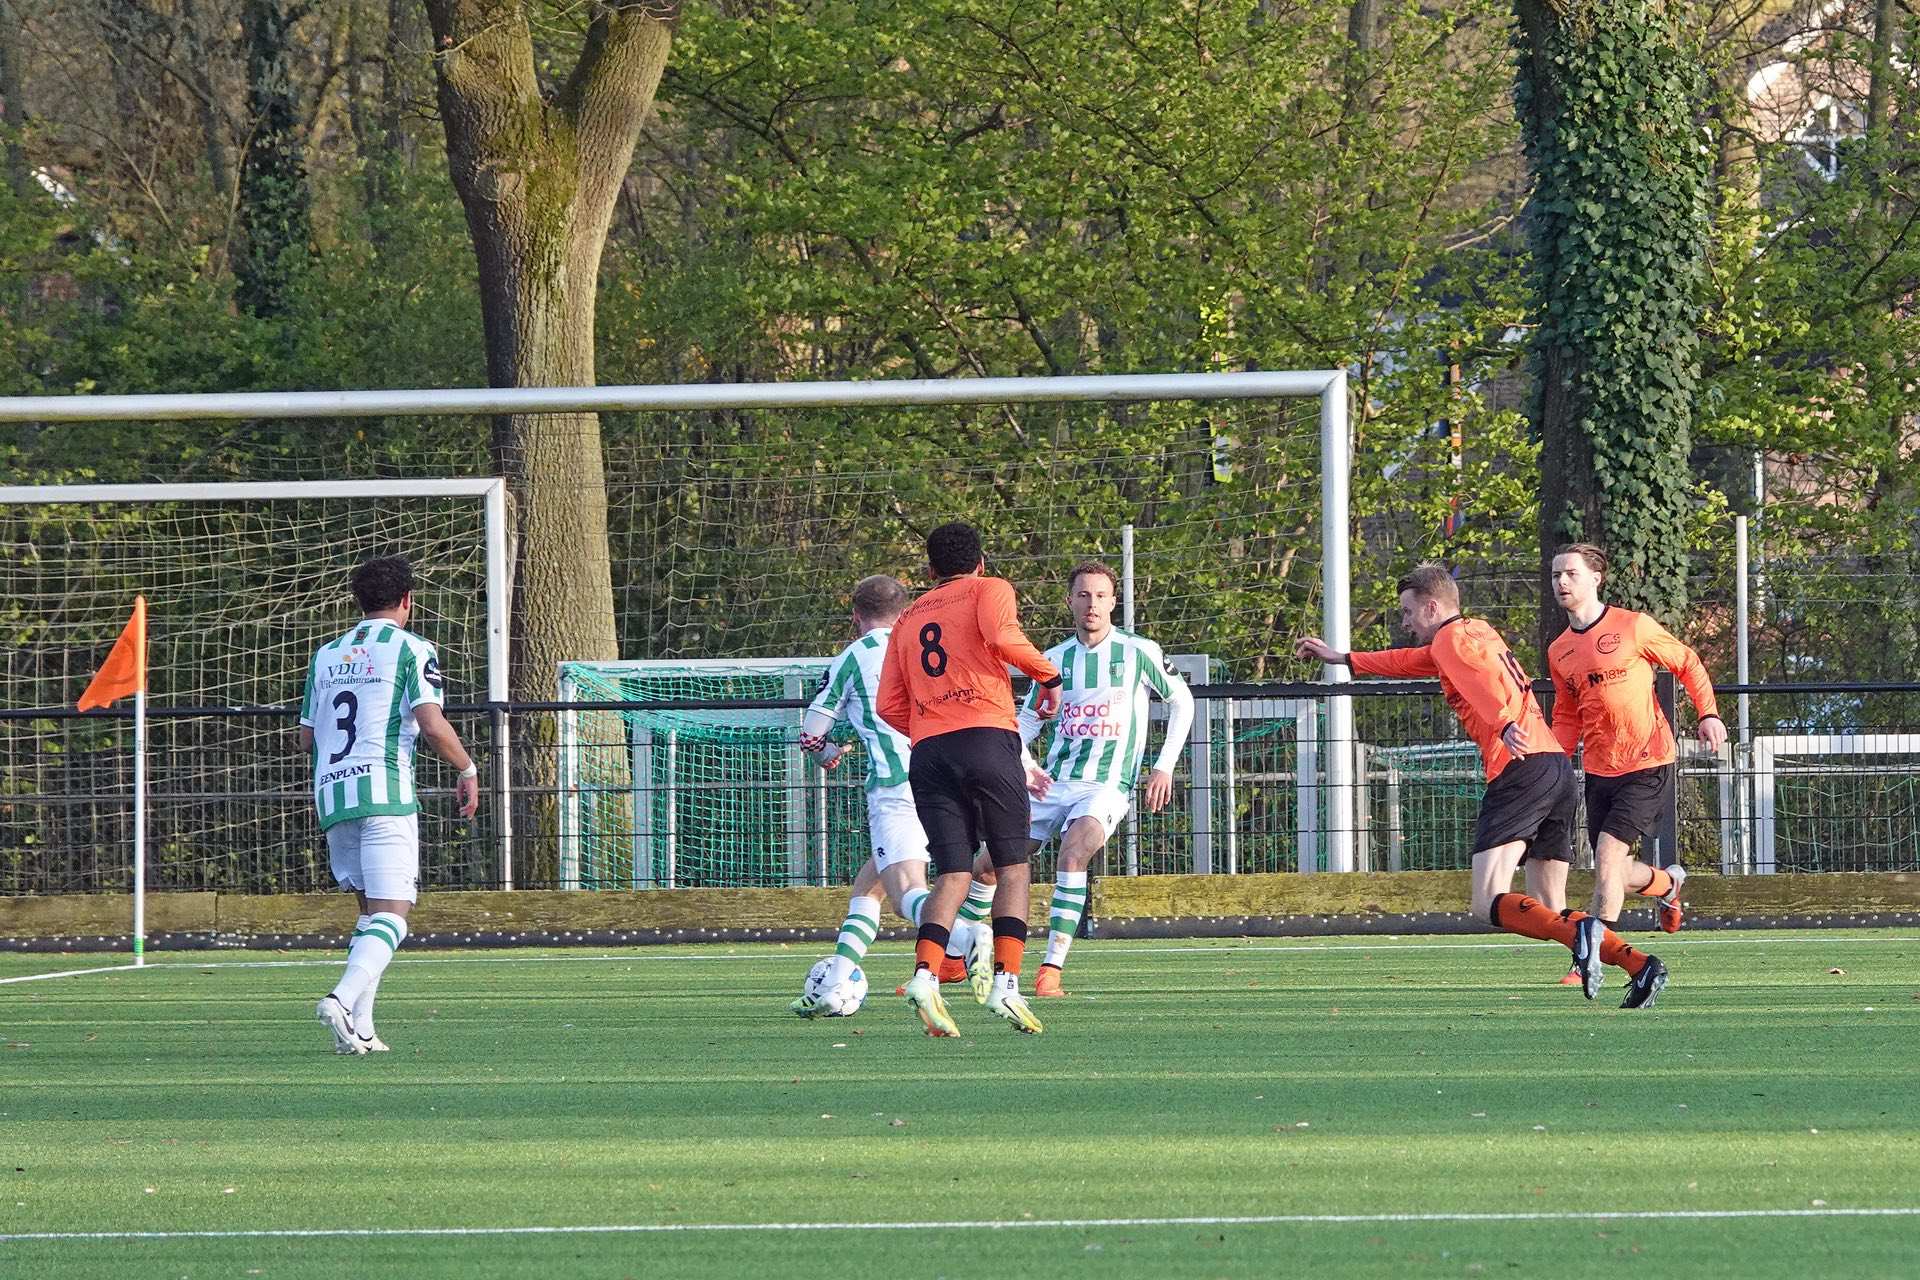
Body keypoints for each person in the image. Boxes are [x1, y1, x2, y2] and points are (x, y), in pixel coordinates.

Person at [1295, 563, 1670, 1010]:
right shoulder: (1476, 633)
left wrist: (1504, 722)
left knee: (1486, 899)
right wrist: (1344, 659)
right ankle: (1639, 964)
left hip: (1519, 770)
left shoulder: (1449, 640)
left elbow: (1482, 684)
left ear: (1432, 608)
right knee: (1548, 906)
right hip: (1554, 768)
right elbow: (1409, 662)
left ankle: (1585, 932)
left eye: (1408, 611)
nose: (1405, 621)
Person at [953, 560, 1194, 997]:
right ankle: (953, 959)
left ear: (1114, 602)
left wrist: (1164, 766)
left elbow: (1183, 701)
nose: (1092, 604)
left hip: (1106, 785)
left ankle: (1050, 969)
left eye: (1100, 596)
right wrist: (1025, 765)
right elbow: (1026, 721)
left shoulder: (1138, 651)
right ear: (1070, 601)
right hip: (1053, 782)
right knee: (988, 865)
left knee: (1073, 852)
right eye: (1083, 595)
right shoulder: (1054, 660)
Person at [876, 522, 1062, 1036]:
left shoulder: (908, 617)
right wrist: (1049, 676)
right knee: (1013, 866)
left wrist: (932, 726)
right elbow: (1003, 637)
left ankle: (925, 976)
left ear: (930, 570)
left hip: (928, 752)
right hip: (985, 737)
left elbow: (887, 704)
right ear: (980, 563)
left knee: (953, 873)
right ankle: (1006, 984)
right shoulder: (989, 588)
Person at [300, 555, 480, 1054]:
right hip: (385, 793)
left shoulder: (325, 654)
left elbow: (306, 737)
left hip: (332, 794)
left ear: (359, 601)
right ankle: (340, 999)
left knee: (369, 915)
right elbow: (431, 723)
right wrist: (467, 769)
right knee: (395, 914)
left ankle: (361, 1028)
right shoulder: (412, 648)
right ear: (407, 600)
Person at [791, 574, 981, 1016]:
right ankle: (834, 983)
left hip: (897, 788)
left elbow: (811, 734)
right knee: (870, 884)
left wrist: (827, 754)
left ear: (856, 616)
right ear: (906, 611)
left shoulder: (853, 658)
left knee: (904, 892)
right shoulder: (933, 645)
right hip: (951, 778)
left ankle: (964, 935)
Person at [1548, 543, 1725, 998]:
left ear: (1596, 578)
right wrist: (1553, 762)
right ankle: (1667, 883)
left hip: (1648, 761)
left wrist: (1708, 713)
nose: (1561, 582)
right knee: (1614, 870)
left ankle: (1591, 954)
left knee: (1607, 858)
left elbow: (1687, 662)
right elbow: (1566, 713)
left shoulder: (1633, 626)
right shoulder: (1560, 650)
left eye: (1570, 573)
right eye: (1555, 575)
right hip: (1599, 770)